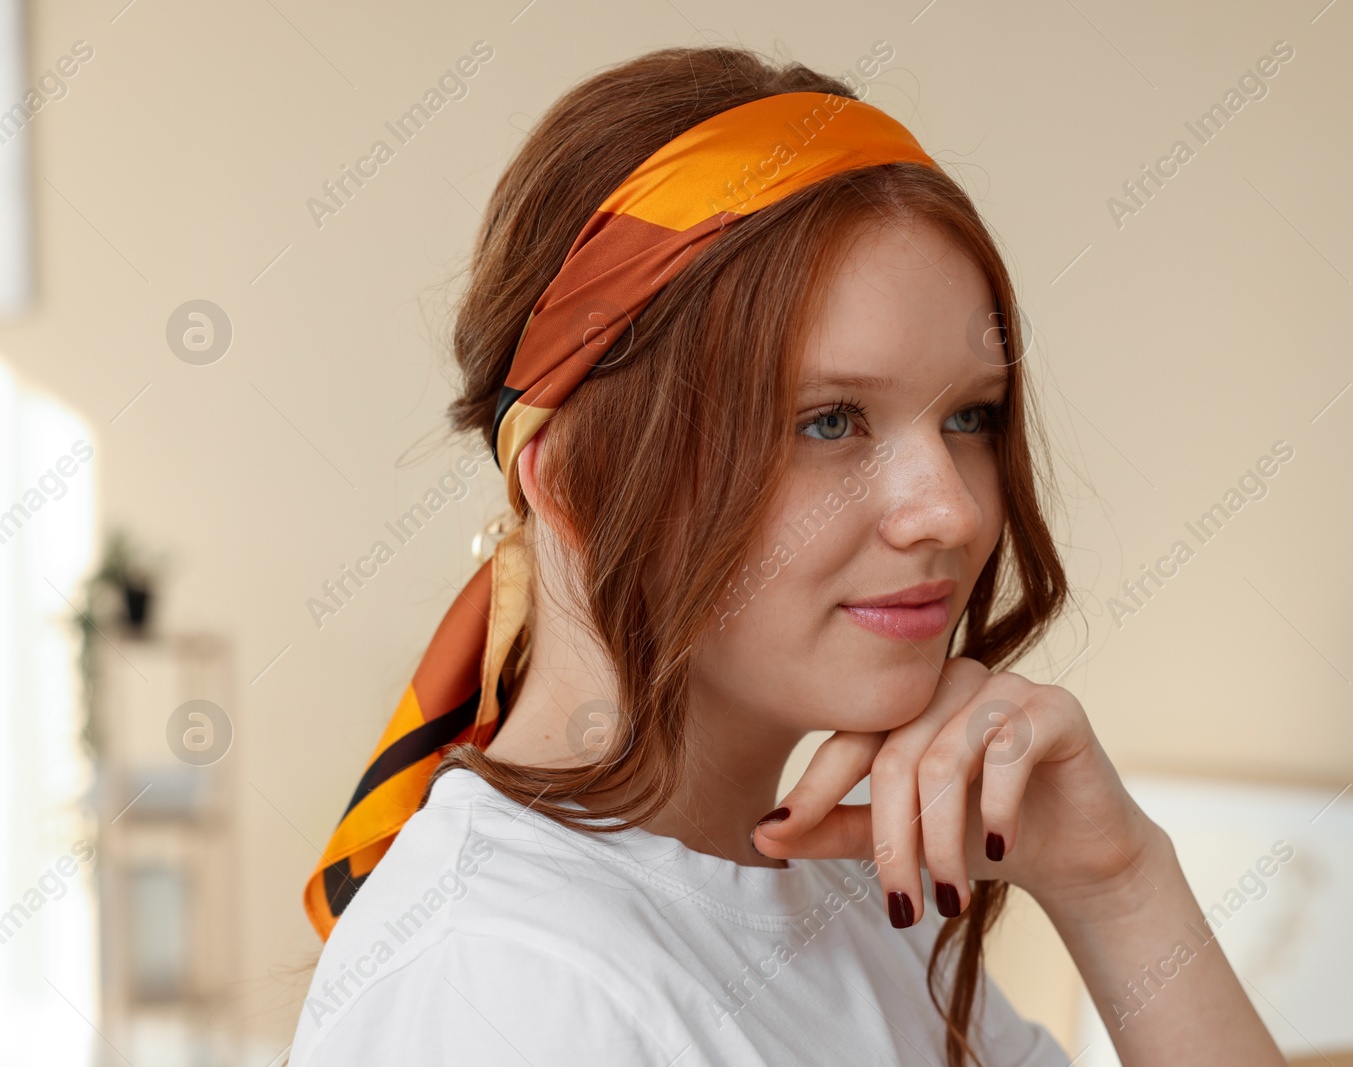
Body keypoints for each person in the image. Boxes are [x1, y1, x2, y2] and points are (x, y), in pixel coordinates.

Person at [286, 44, 1287, 1067]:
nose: (947, 508)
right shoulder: (505, 987)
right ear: (572, 481)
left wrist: (1118, 885)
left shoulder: (847, 900)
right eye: (829, 421)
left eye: (971, 414)